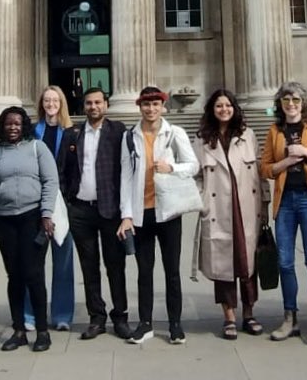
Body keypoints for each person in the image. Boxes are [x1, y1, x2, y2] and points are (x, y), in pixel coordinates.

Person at [117, 85, 199, 345]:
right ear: (139, 107)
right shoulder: (130, 136)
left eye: (155, 104)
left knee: (172, 270)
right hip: (142, 212)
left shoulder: (175, 133)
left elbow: (193, 165)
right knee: (144, 271)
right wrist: (126, 215)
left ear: (162, 106)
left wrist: (171, 167)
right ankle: (145, 323)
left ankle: (175, 324)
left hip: (168, 211)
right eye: (146, 104)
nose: (151, 109)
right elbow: (125, 177)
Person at [259, 81, 307, 345]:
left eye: (295, 100)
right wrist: (287, 161)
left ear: (303, 103)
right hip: (285, 200)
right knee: (284, 261)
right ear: (280, 104)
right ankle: (289, 317)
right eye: (286, 100)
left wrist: (305, 153)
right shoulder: (274, 130)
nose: (291, 104)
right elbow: (265, 168)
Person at [0, 106, 58, 353]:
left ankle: (42, 331)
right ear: (2, 126)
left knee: (34, 274)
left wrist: (46, 213)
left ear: (24, 126)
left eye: (17, 123)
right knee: (14, 276)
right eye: (8, 123)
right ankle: (19, 330)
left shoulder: (37, 148)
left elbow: (50, 181)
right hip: (5, 221)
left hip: (33, 218)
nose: (13, 127)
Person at [57, 86, 130, 340]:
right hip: (81, 210)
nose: (93, 107)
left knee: (115, 265)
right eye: (89, 103)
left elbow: (127, 169)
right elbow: (62, 170)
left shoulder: (118, 131)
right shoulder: (72, 134)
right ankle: (96, 317)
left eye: (98, 102)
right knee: (89, 267)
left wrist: (126, 210)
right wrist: (68, 201)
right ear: (84, 106)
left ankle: (120, 316)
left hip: (110, 209)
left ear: (106, 105)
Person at [195, 88, 264, 339]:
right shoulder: (202, 139)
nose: (224, 110)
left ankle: (249, 313)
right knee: (223, 264)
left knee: (247, 262)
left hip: (246, 206)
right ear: (211, 110)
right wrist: (202, 200)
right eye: (219, 106)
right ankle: (229, 317)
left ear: (234, 109)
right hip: (218, 209)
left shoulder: (248, 135)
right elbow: (196, 175)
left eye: (227, 106)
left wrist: (265, 205)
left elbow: (259, 172)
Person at [24, 86, 75, 332]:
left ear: (62, 103)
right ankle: (30, 314)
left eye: (55, 100)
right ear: (41, 104)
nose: (51, 104)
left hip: (63, 202)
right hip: (36, 201)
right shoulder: (32, 132)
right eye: (47, 100)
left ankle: (62, 314)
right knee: (33, 261)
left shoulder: (72, 132)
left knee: (63, 260)